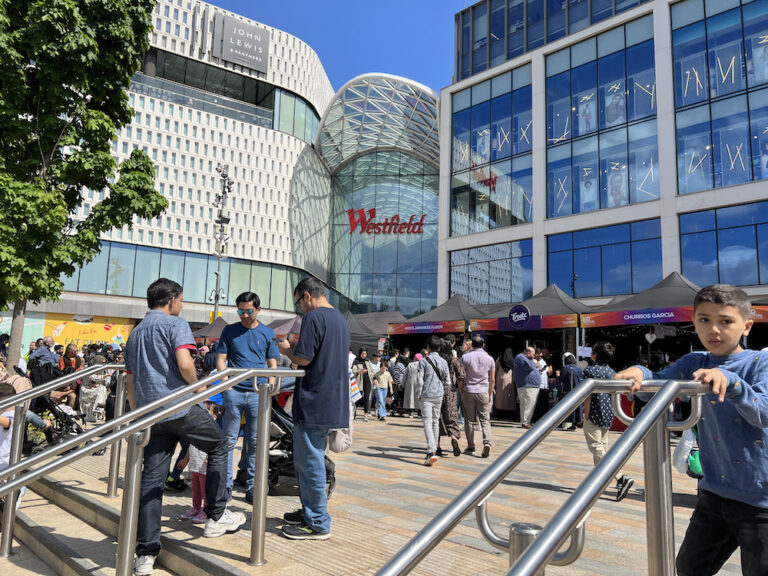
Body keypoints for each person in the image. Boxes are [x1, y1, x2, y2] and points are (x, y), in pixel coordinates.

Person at [617, 284, 768, 575]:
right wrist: (641, 373)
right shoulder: (694, 361)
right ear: (694, 322)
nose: (714, 329)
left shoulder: (760, 362)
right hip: (713, 493)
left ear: (747, 325)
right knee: (689, 567)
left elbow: (763, 412)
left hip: (760, 500)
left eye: (726, 321)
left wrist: (733, 383)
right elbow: (658, 387)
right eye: (704, 320)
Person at [125, 278, 245, 575]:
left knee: (152, 481)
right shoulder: (174, 324)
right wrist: (198, 392)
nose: (182, 305)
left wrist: (137, 412)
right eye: (181, 300)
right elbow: (185, 364)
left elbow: (129, 380)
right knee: (218, 445)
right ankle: (216, 516)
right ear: (173, 300)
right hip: (179, 407)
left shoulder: (136, 332)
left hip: (151, 413)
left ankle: (146, 553)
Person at [277, 276, 350, 540]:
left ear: (307, 296)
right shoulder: (339, 319)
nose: (300, 308)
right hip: (332, 398)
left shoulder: (313, 318)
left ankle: (318, 522)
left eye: (299, 302)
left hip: (314, 399)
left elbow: (304, 358)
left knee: (309, 462)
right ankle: (312, 511)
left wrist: (287, 350)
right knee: (313, 459)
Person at [216, 291, 279, 504]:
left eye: (248, 311)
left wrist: (270, 387)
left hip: (257, 393)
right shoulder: (229, 331)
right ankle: (225, 486)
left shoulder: (267, 333)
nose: (244, 315)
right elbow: (221, 360)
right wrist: (227, 385)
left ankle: (252, 486)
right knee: (228, 440)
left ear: (258, 310)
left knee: (255, 442)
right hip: (234, 391)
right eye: (240, 311)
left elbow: (272, 364)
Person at [581, 342, 634, 502]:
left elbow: (587, 394)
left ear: (595, 354)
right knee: (602, 447)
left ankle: (620, 477)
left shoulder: (589, 371)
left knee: (596, 447)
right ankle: (600, 482)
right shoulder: (611, 372)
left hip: (594, 412)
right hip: (607, 413)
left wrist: (586, 413)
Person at [178, 401, 222, 525]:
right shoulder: (194, 429)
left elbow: (215, 447)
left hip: (205, 467)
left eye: (205, 410)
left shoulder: (213, 432)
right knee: (195, 490)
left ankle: (206, 510)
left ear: (214, 417)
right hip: (195, 466)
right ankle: (196, 508)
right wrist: (185, 460)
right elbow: (190, 447)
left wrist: (210, 458)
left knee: (205, 491)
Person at [459, 336, 495, 458]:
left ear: (472, 345)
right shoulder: (490, 359)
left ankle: (471, 446)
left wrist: (461, 390)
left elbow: (461, 376)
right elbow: (492, 379)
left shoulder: (465, 357)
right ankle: (487, 442)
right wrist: (489, 394)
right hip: (483, 390)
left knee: (469, 420)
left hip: (468, 390)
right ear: (483, 345)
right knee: (485, 419)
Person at [417, 335, 448, 466]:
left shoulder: (423, 362)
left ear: (428, 347)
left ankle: (430, 451)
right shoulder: (444, 362)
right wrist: (442, 391)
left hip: (427, 395)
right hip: (439, 395)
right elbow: (448, 381)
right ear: (439, 347)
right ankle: (434, 449)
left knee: (427, 422)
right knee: (436, 422)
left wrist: (418, 394)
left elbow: (419, 381)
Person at [437, 338, 463, 458]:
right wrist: (461, 389)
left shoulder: (437, 360)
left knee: (437, 418)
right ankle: (453, 438)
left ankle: (437, 446)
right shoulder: (453, 360)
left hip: (436, 391)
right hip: (450, 391)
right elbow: (462, 374)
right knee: (451, 416)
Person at [515, 347, 540, 429]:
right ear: (527, 353)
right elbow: (529, 366)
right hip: (527, 386)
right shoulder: (520, 357)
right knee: (527, 404)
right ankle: (525, 422)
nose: (534, 356)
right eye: (533, 354)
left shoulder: (525, 359)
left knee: (528, 404)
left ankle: (525, 421)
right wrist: (534, 362)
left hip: (530, 386)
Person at [559, 352, 583, 430]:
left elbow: (561, 378)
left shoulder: (565, 367)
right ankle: (574, 424)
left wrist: (557, 375)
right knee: (575, 408)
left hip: (567, 391)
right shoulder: (578, 369)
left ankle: (566, 425)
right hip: (577, 391)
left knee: (566, 408)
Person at [351, 348, 374, 421]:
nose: (364, 355)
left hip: (368, 382)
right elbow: (353, 371)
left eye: (365, 354)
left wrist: (372, 377)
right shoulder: (356, 361)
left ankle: (365, 415)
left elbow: (371, 370)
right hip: (359, 382)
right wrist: (359, 371)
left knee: (367, 398)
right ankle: (354, 413)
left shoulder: (367, 361)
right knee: (357, 398)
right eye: (363, 354)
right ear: (360, 353)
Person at [494, 348, 517, 419]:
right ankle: (509, 415)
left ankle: (500, 414)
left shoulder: (499, 359)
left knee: (500, 398)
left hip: (500, 379)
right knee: (509, 398)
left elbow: (495, 369)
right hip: (509, 379)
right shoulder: (512, 360)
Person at [401, 353, 422, 418]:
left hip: (411, 381)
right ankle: (419, 412)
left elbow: (405, 375)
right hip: (420, 381)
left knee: (411, 396)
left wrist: (402, 384)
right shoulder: (422, 364)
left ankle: (411, 412)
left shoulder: (410, 364)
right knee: (419, 396)